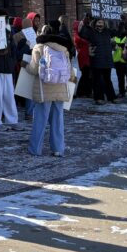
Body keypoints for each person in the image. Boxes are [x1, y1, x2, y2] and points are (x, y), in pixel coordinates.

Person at [23, 25, 72, 157]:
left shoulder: (38, 48)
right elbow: (69, 70)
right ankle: (58, 149)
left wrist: (25, 66)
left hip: (43, 89)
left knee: (40, 120)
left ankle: (35, 149)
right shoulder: (64, 49)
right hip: (60, 89)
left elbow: (33, 69)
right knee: (58, 120)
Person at [81, 18, 117, 105]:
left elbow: (117, 32)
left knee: (107, 79)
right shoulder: (91, 32)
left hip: (107, 59)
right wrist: (85, 24)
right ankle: (98, 97)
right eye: (99, 22)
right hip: (96, 59)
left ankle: (111, 97)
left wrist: (114, 21)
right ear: (95, 23)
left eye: (102, 22)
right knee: (97, 80)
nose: (100, 24)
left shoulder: (107, 32)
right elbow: (83, 34)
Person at [72, 19, 92, 99]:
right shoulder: (77, 35)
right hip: (83, 57)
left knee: (87, 75)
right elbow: (81, 41)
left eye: (82, 25)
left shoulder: (81, 34)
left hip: (86, 56)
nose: (81, 26)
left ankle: (84, 92)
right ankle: (81, 92)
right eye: (80, 25)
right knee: (85, 74)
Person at [112, 28, 127, 99]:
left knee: (122, 78)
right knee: (123, 78)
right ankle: (124, 92)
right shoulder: (126, 38)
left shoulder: (116, 38)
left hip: (121, 61)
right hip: (121, 61)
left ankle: (123, 92)